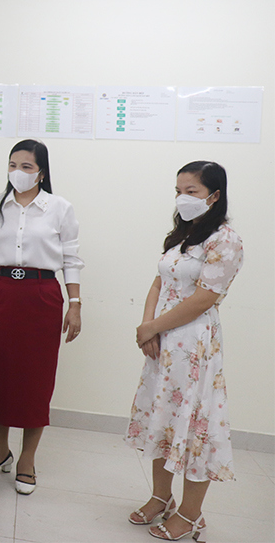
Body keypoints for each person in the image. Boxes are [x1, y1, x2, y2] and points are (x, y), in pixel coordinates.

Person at [125, 161, 243, 541]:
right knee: (164, 417)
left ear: (215, 196)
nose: (183, 198)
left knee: (194, 427)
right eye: (179, 190)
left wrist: (153, 327)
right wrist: (147, 328)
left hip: (194, 346)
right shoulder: (182, 236)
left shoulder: (225, 240)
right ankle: (161, 498)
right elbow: (159, 283)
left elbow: (203, 300)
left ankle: (192, 515)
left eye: (191, 191)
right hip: (162, 346)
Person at [0, 139, 83, 495]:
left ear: (41, 172)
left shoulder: (59, 208)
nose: (18, 172)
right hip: (1, 291)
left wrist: (75, 303)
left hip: (42, 296)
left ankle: (27, 459)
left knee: (35, 377)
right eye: (13, 165)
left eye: (26, 167)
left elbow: (72, 259)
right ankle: (0, 452)